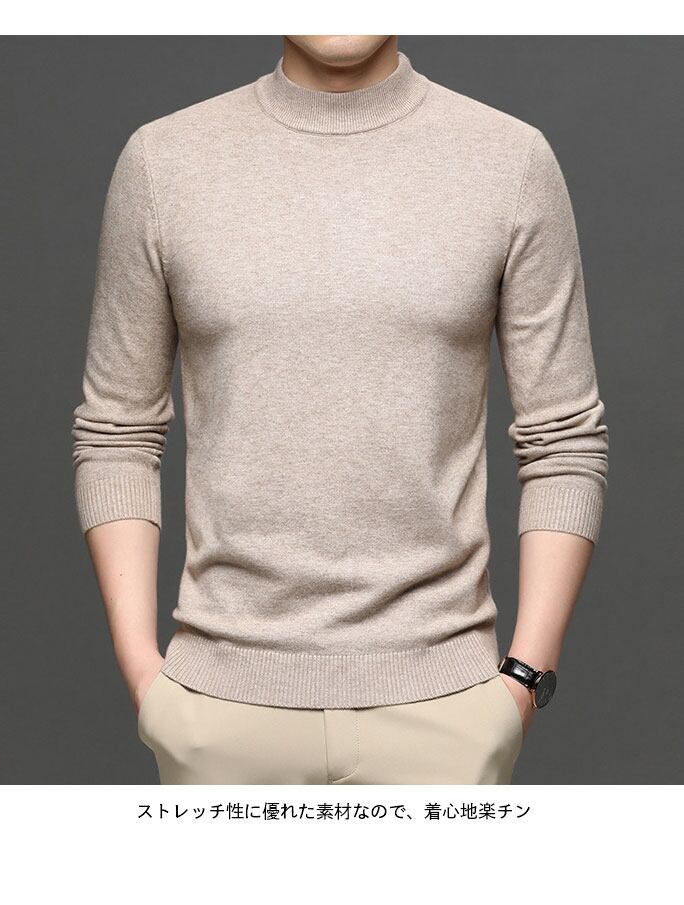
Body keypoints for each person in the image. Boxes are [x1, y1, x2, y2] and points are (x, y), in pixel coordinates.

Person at [71, 35, 609, 784]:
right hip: (217, 711)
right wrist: (145, 677)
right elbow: (117, 432)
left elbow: (564, 439)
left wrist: (523, 679)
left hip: (447, 709)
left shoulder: (510, 160)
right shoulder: (164, 162)